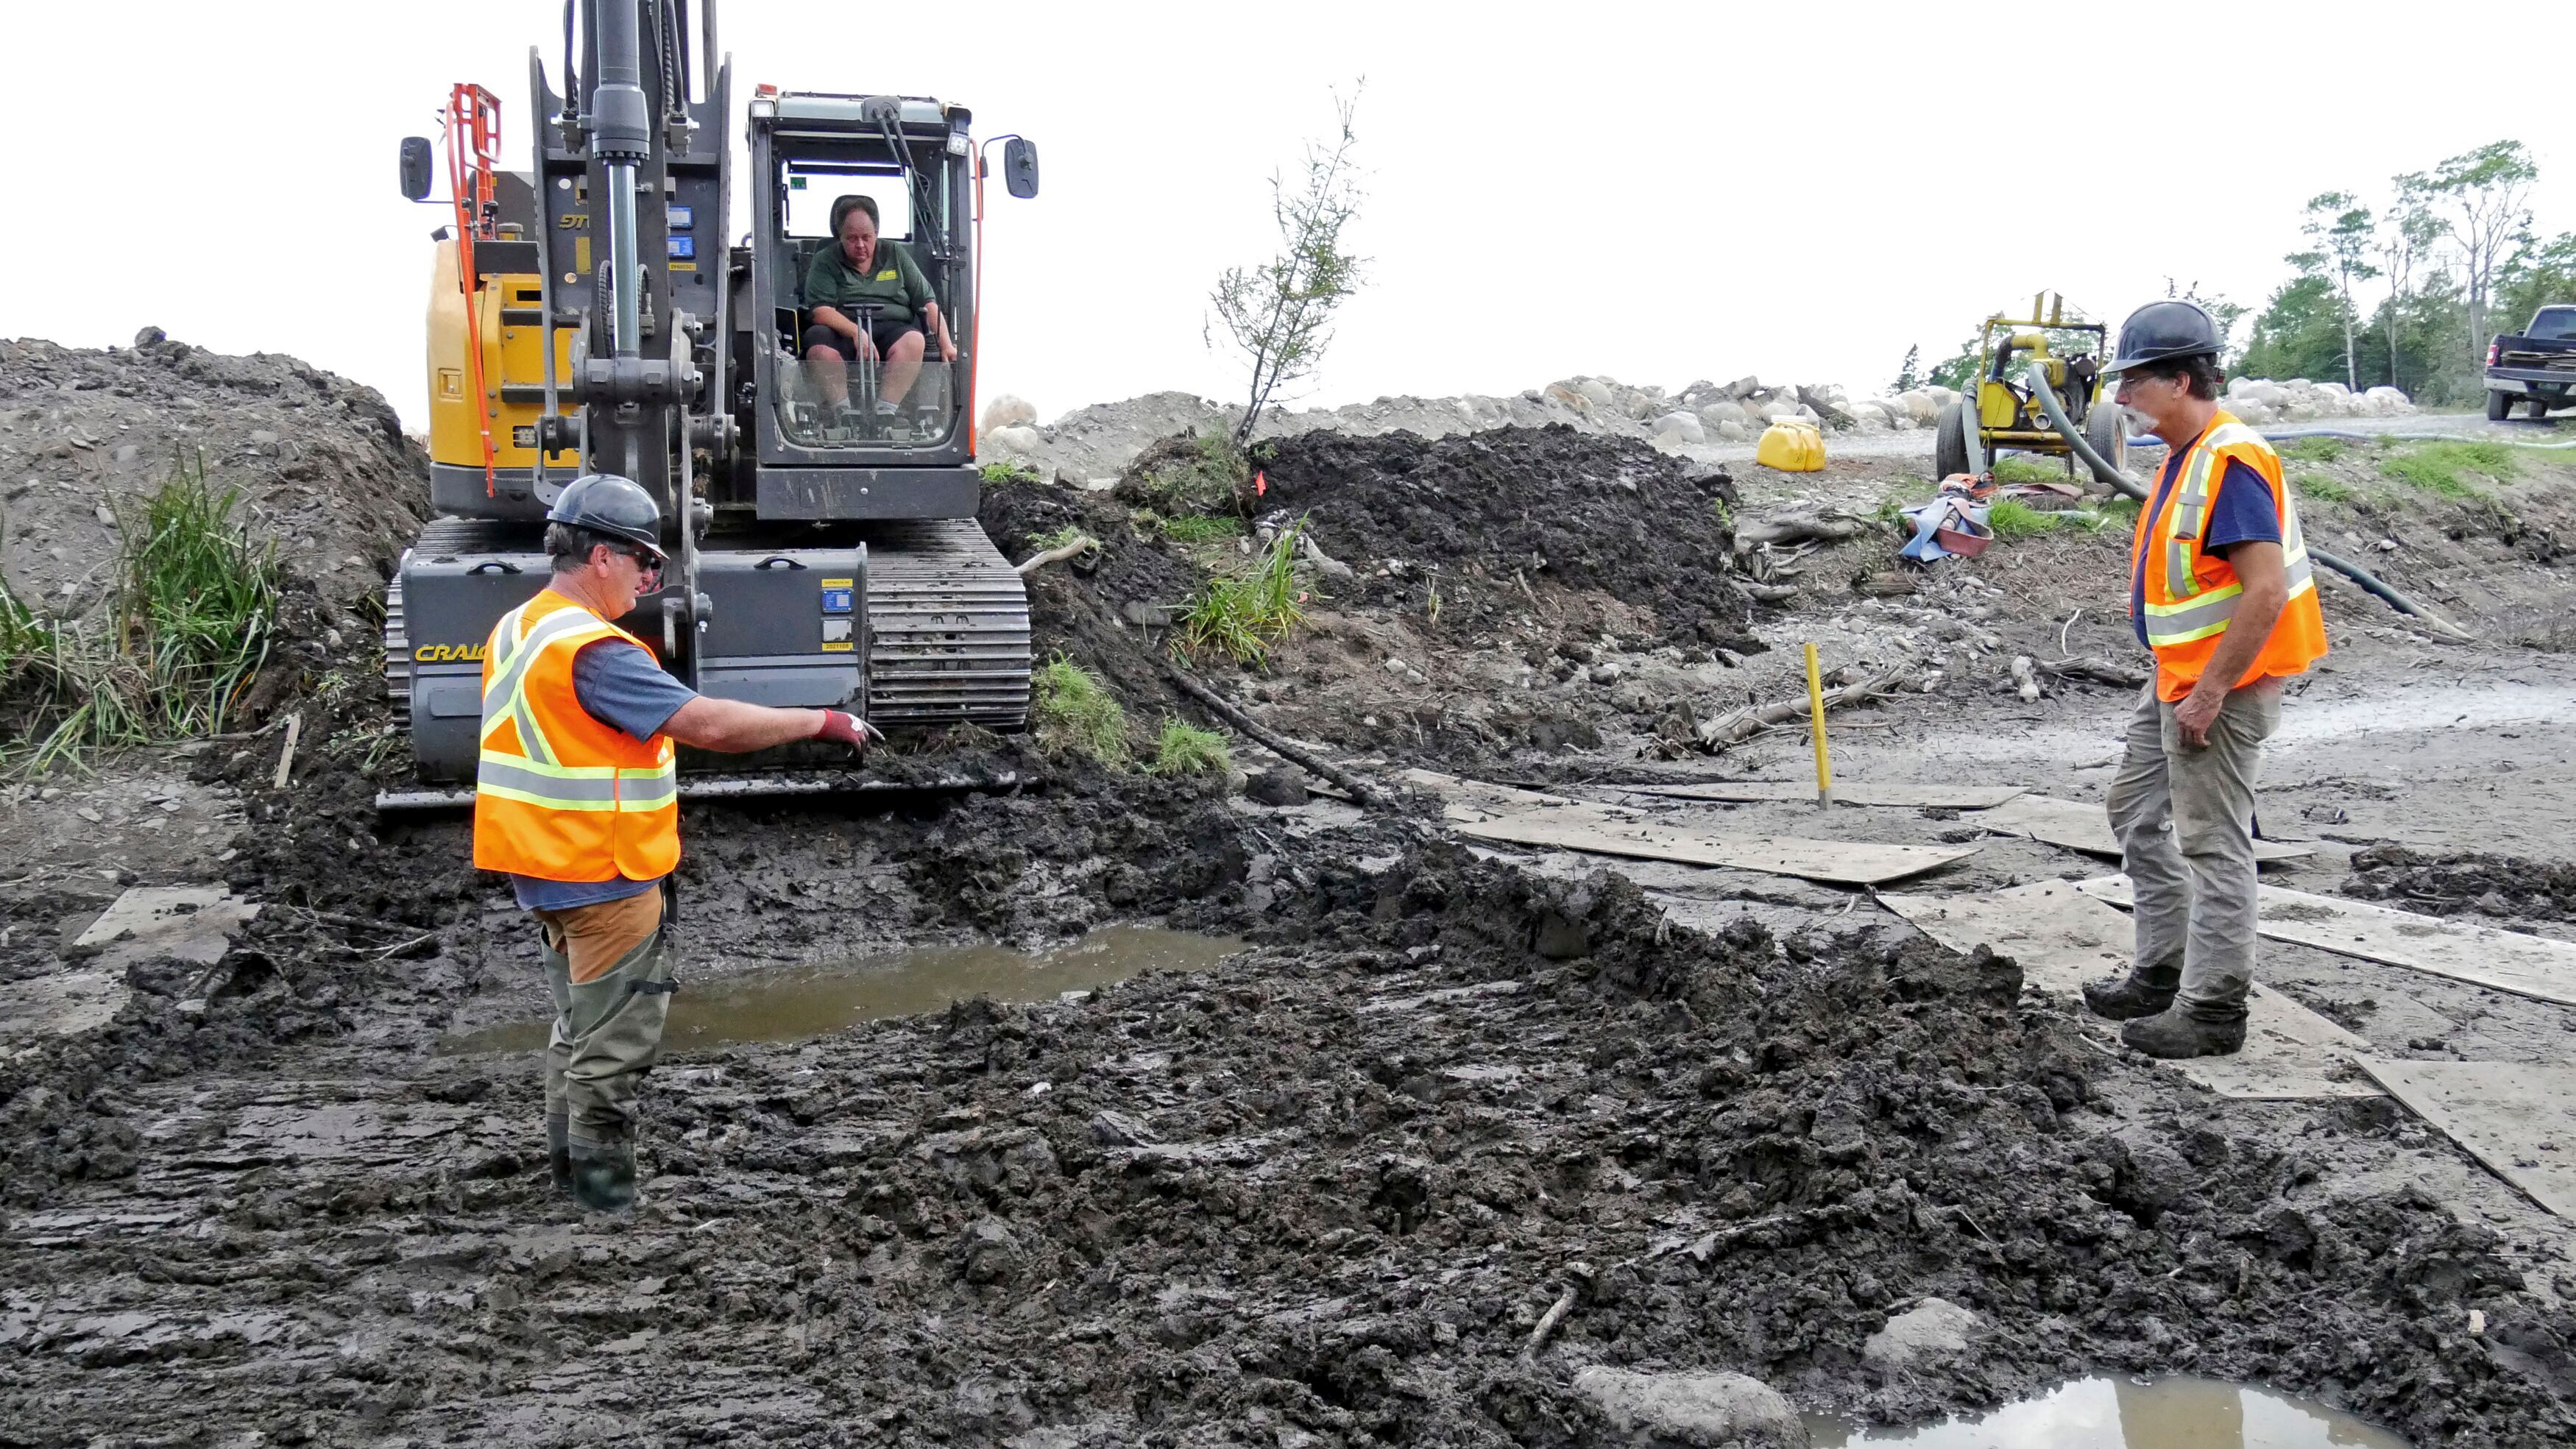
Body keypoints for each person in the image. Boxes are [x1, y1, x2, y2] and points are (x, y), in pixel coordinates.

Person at [473, 473, 882, 1211]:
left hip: (543, 868)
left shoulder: (519, 627)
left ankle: (570, 1182)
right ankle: (602, 1200)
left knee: (576, 1029)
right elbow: (710, 726)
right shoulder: (594, 650)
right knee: (612, 1046)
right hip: (604, 871)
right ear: (600, 557)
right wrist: (821, 721)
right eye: (643, 561)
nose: (650, 577)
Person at [2080, 300, 2328, 1059]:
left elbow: (2262, 592)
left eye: (2133, 383)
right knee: (2132, 809)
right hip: (2175, 676)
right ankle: (2162, 968)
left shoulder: (2229, 459)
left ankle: (2213, 1009)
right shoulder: (2187, 458)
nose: (2121, 398)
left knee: (2211, 842)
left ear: (2181, 379)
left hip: (2218, 686)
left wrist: (2212, 690)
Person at [800, 194, 958, 416]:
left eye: (866, 237)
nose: (860, 245)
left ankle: (886, 411)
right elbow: (820, 311)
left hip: (892, 328)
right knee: (818, 345)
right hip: (842, 331)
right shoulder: (825, 259)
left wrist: (948, 345)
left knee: (915, 340)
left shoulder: (895, 254)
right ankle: (843, 412)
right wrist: (857, 333)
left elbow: (927, 301)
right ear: (840, 237)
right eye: (851, 238)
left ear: (877, 234)